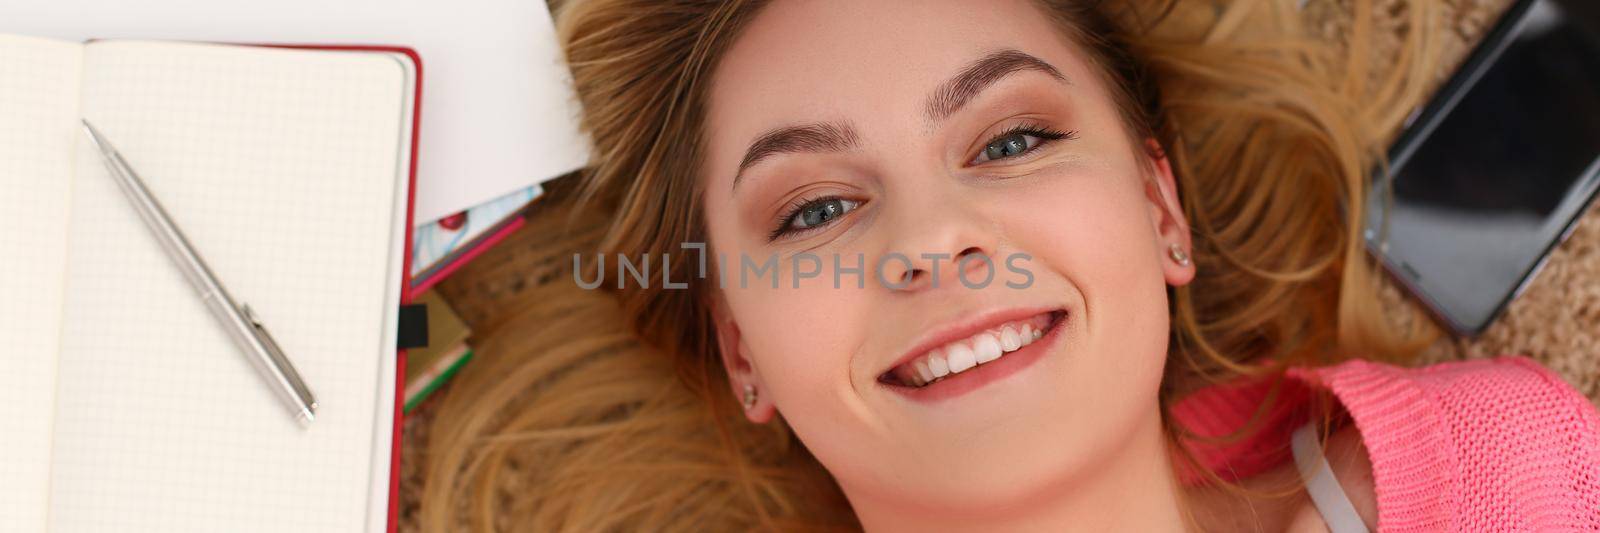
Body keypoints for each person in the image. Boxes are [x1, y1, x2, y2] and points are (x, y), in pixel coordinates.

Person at [419, 0, 1600, 530]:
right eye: (816, 207)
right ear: (742, 349)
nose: (932, 238)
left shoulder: (1515, 475)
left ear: (1158, 210)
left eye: (1012, 138)